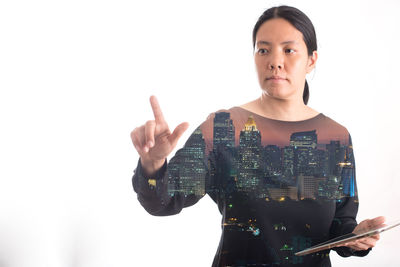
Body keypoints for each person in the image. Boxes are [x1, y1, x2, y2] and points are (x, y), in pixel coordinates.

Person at [130, 5, 385, 267]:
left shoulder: (336, 136)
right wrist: (153, 165)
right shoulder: (225, 128)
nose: (274, 61)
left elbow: (339, 224)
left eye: (288, 50)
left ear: (311, 60)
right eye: (263, 50)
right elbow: (163, 201)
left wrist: (354, 236)